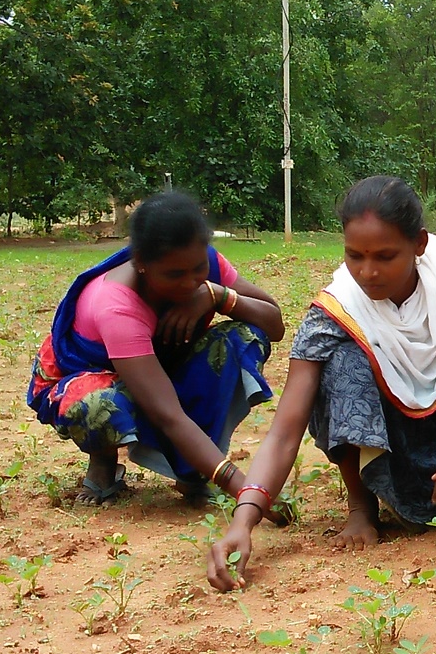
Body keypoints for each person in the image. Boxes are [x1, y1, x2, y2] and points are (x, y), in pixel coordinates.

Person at [206, 176, 436, 591]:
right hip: (380, 441)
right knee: (344, 361)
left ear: (419, 245)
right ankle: (362, 505)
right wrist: (243, 521)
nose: (367, 272)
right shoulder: (334, 311)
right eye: (354, 256)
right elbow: (285, 431)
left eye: (385, 256)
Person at [28, 191, 285, 505]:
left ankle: (193, 470)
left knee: (243, 335)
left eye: (198, 269)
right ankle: (104, 459)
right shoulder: (117, 306)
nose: (190, 283)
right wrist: (246, 491)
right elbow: (167, 414)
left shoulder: (204, 265)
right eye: (174, 274)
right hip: (97, 381)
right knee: (100, 404)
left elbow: (273, 324)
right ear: (140, 263)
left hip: (163, 367)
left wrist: (218, 295)